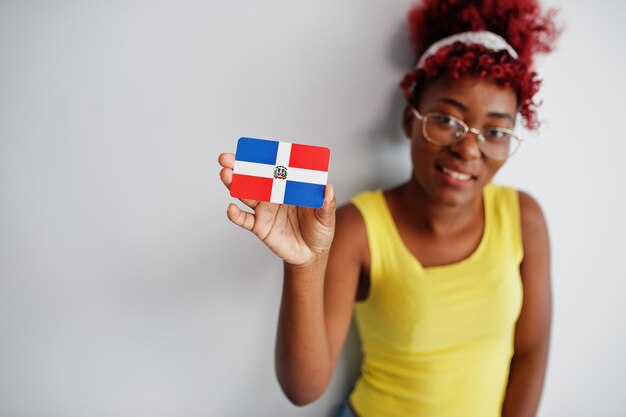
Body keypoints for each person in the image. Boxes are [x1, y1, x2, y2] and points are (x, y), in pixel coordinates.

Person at [218, 0, 560, 415]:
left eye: (496, 131)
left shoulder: (523, 218)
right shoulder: (360, 227)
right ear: (409, 120)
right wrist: (305, 265)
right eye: (447, 120)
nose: (469, 147)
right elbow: (303, 389)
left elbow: (531, 355)